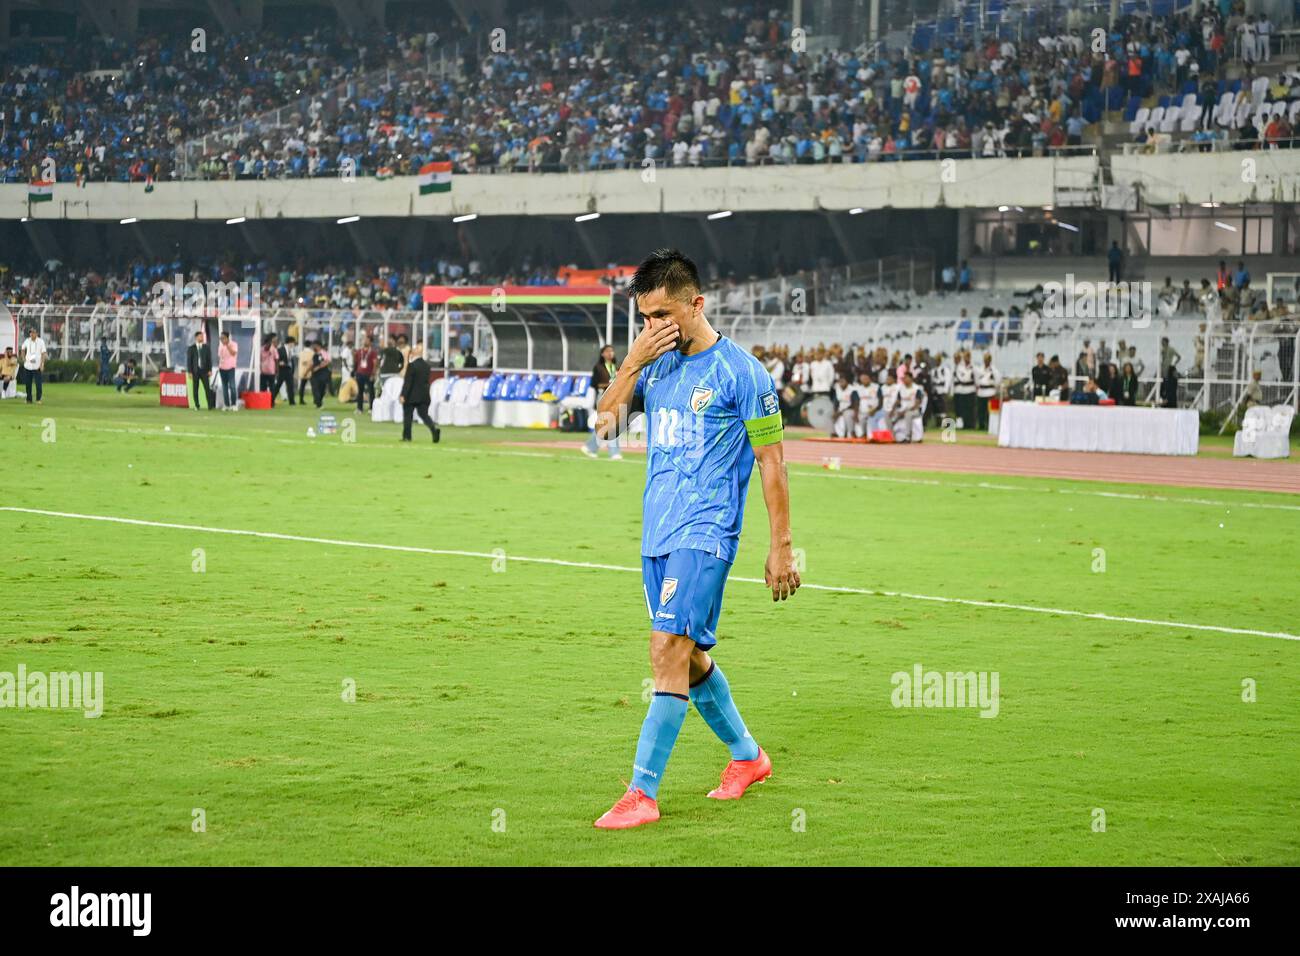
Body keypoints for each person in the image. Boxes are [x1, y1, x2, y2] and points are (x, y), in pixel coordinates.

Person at [590, 249, 799, 830]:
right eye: (644, 318)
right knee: (691, 657)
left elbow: (772, 463)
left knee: (665, 650)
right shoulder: (652, 364)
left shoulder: (743, 374)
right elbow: (604, 426)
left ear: (696, 304)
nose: (653, 328)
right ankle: (748, 757)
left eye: (662, 316)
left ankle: (642, 793)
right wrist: (630, 363)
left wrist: (781, 545)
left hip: (706, 532)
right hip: (656, 531)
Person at [583, 344, 622, 460]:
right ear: (602, 354)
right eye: (608, 351)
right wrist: (609, 384)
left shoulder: (616, 366)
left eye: (612, 351)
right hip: (603, 396)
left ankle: (591, 447)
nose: (611, 353)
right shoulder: (598, 367)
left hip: (614, 396)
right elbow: (595, 384)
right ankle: (614, 452)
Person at [399, 344, 441, 443]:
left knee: (408, 415)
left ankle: (407, 436)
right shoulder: (426, 366)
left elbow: (408, 382)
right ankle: (434, 430)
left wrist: (403, 395)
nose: (414, 349)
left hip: (411, 395)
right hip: (424, 395)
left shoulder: (412, 365)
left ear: (418, 352)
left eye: (416, 348)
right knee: (424, 415)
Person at [187, 330, 214, 410]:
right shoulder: (191, 348)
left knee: (207, 388)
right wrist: (190, 371)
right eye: (200, 336)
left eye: (202, 336)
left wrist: (210, 370)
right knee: (195, 388)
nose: (201, 338)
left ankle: (210, 405)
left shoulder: (206, 347)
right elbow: (189, 361)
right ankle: (197, 405)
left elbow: (209, 359)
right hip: (195, 371)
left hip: (204, 370)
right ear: (196, 337)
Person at [20, 327, 48, 404]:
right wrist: (23, 358)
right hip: (28, 366)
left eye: (33, 332)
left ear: (36, 333)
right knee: (28, 384)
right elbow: (22, 349)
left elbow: (43, 353)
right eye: (30, 332)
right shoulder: (27, 341)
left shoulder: (41, 341)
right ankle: (29, 399)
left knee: (38, 384)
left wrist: (42, 364)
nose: (31, 334)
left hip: (37, 366)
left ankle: (38, 399)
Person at [974, 352, 1000, 431]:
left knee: (989, 412)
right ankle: (981, 425)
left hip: (990, 392)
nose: (986, 361)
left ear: (990, 360)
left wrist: (993, 387)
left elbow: (998, 381)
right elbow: (977, 379)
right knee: (981, 410)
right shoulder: (980, 369)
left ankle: (989, 426)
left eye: (987, 360)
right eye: (985, 360)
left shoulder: (994, 370)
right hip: (981, 392)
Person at [353, 335, 378, 412]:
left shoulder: (373, 352)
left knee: (371, 391)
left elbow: (375, 363)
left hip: (369, 373)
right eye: (364, 340)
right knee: (360, 391)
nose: (365, 341)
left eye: (367, 340)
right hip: (360, 373)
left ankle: (371, 408)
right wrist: (355, 372)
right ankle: (359, 408)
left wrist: (373, 374)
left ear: (370, 342)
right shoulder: (359, 351)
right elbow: (356, 361)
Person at [952, 349, 976, 427]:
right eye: (965, 357)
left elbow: (976, 379)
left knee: (970, 409)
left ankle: (970, 424)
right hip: (961, 390)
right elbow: (961, 378)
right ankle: (963, 424)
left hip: (970, 389)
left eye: (968, 357)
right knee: (961, 408)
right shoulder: (959, 367)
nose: (966, 358)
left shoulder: (973, 367)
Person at [217, 331, 239, 409]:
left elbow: (233, 353)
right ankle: (226, 404)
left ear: (227, 338)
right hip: (222, 368)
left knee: (232, 386)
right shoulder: (220, 346)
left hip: (231, 367)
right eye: (221, 338)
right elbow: (220, 356)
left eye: (223, 338)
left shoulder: (234, 344)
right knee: (224, 387)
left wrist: (227, 345)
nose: (222, 340)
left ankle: (234, 404)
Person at [308, 341, 332, 408]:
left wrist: (318, 367)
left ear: (318, 346)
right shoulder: (313, 354)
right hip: (315, 374)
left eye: (314, 346)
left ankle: (319, 401)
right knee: (315, 388)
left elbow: (327, 361)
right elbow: (311, 363)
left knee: (321, 388)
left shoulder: (324, 353)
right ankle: (318, 403)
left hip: (323, 373)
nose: (313, 347)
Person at [275, 336, 297, 405]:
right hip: (282, 370)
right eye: (293, 343)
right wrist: (279, 363)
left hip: (289, 371)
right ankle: (271, 399)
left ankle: (292, 401)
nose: (294, 345)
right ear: (290, 342)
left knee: (290, 386)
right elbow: (277, 360)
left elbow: (291, 360)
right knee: (278, 386)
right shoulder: (280, 349)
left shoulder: (291, 350)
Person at [260, 335, 279, 404]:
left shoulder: (273, 349)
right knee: (263, 388)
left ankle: (272, 402)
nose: (269, 346)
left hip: (271, 372)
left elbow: (276, 359)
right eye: (268, 344)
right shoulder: (261, 349)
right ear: (265, 343)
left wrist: (277, 370)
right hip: (263, 372)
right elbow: (259, 360)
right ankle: (263, 401)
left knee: (272, 388)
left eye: (270, 344)